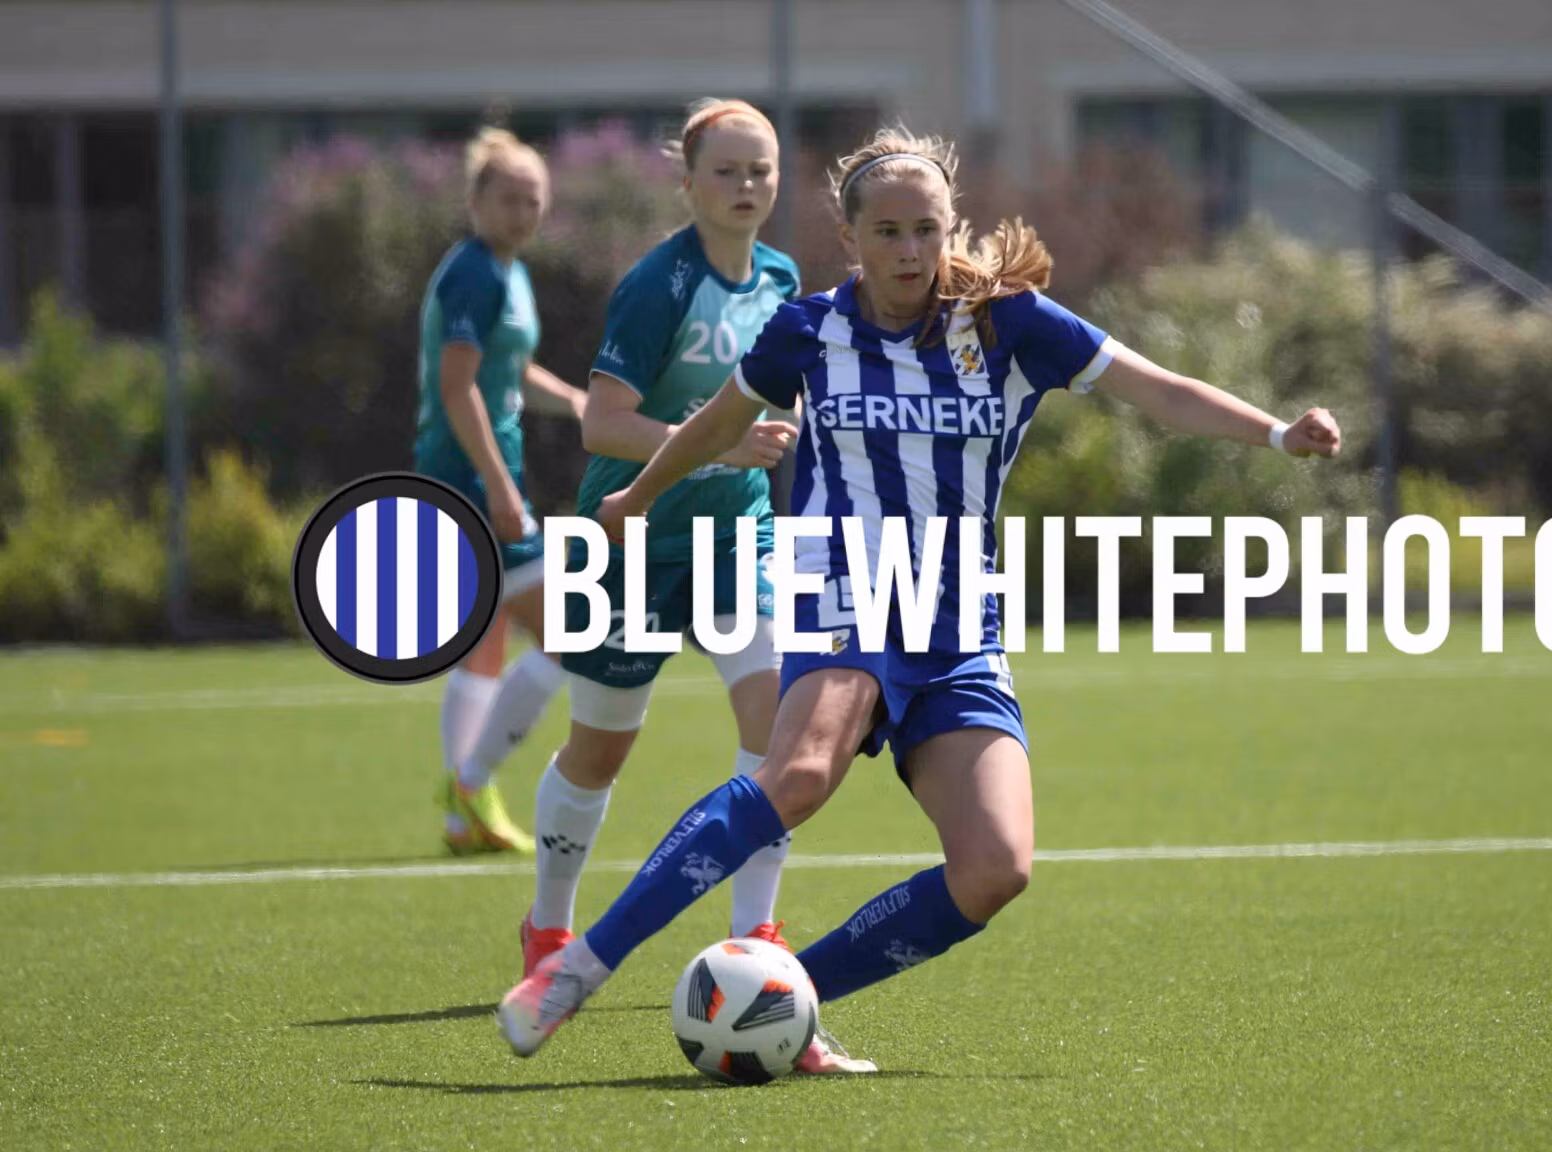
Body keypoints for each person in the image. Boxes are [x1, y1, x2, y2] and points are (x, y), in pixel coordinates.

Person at [497, 126, 1341, 1066]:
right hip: (846, 584)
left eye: (925, 230)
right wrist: (636, 498)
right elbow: (710, 425)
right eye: (888, 232)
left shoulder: (1010, 324)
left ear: (950, 227)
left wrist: (1277, 434)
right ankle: (577, 967)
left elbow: (1159, 389)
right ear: (850, 237)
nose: (908, 251)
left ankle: (783, 1003)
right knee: (800, 774)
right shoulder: (809, 329)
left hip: (957, 618)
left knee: (994, 868)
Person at [519, 99, 826, 1014]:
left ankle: (756, 936)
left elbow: (778, 400)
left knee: (776, 726)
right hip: (628, 539)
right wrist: (719, 441)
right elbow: (601, 422)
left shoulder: (783, 278)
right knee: (600, 748)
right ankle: (549, 928)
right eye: (726, 171)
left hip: (736, 533)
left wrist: (780, 430)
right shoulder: (659, 284)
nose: (746, 185)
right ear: (687, 183)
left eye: (761, 170)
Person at [415, 126, 585, 856]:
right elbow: (458, 388)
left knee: (483, 647)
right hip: (469, 480)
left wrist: (574, 402)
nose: (524, 212)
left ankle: (465, 815)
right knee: (570, 633)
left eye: (534, 199)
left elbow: (508, 373)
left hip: (487, 476)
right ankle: (470, 781)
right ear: (476, 200)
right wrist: (493, 483)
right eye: (510, 198)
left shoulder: (508, 273)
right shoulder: (474, 275)